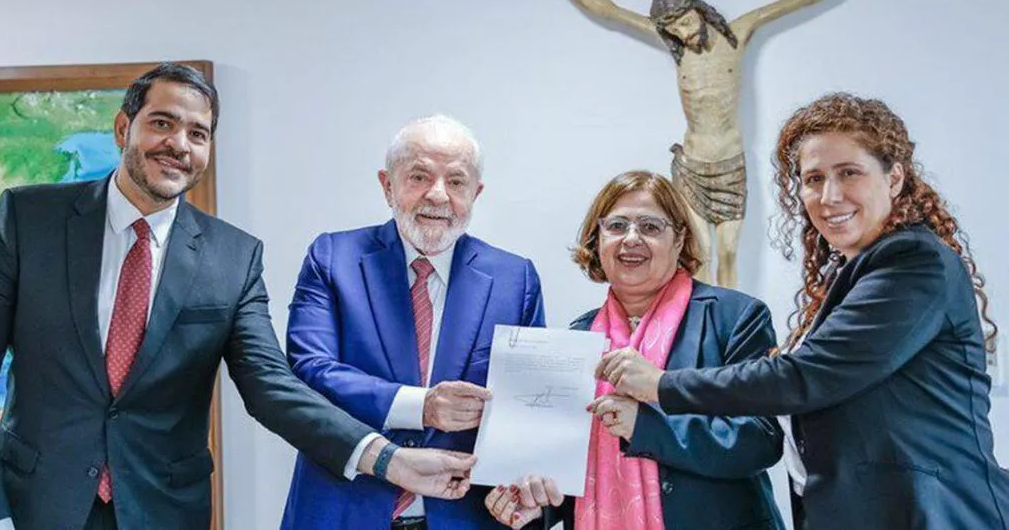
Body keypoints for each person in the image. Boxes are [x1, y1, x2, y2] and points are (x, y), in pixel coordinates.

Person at [0, 64, 475, 530]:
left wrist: (386, 459)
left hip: (162, 511)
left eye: (198, 133)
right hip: (30, 507)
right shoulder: (29, 220)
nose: (179, 144)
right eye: (162, 123)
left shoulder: (232, 257)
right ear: (124, 127)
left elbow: (271, 389)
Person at [596, 94, 1009, 529]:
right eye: (813, 178)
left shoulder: (913, 263)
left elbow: (804, 378)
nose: (829, 196)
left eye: (849, 172)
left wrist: (661, 385)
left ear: (894, 178)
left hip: (932, 514)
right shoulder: (853, 274)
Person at [534, 0, 888, 288]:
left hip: (729, 164)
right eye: (674, 29)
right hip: (693, 166)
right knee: (700, 255)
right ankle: (702, 321)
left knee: (730, 252)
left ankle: (731, 320)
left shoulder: (738, 34)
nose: (684, 33)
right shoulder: (677, 47)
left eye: (686, 22)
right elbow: (610, 11)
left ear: (699, 9)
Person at [279, 115, 546, 530]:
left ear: (475, 193)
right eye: (419, 177)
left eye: (456, 182)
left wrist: (531, 488)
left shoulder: (516, 279)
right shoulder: (332, 258)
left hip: (469, 517)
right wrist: (423, 406)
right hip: (343, 511)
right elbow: (309, 372)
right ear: (387, 185)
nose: (438, 195)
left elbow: (528, 408)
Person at [485, 171, 783, 530]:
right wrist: (537, 506)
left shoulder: (734, 318)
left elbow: (760, 440)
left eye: (650, 227)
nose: (631, 239)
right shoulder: (578, 337)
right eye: (616, 226)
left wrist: (645, 426)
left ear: (679, 239)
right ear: (597, 239)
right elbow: (571, 469)